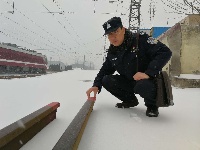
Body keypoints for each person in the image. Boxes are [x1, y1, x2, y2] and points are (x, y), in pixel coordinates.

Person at [86, 17, 172, 117]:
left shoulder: (141, 40)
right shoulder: (113, 52)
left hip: (147, 81)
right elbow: (105, 70)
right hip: (129, 81)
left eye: (116, 31)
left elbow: (165, 52)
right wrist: (96, 85)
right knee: (106, 80)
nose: (113, 37)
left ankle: (152, 106)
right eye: (110, 34)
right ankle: (130, 100)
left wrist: (148, 73)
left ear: (123, 29)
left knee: (142, 85)